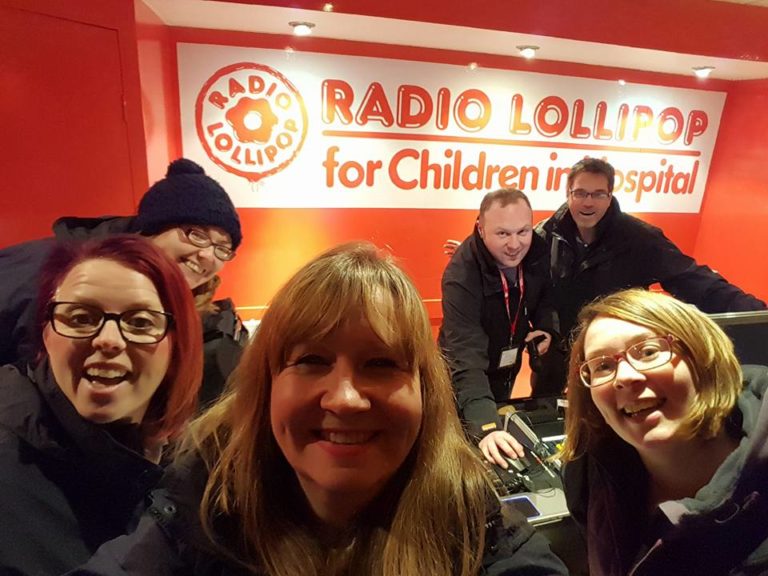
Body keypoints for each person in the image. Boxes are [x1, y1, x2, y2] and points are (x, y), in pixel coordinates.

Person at [73, 241, 568, 576]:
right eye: (311, 361)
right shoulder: (198, 514)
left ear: (426, 392)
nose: (345, 398)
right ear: (266, 386)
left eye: (381, 363)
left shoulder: (473, 525)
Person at [0, 235, 203, 576]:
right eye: (81, 318)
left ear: (177, 342)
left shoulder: (192, 463)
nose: (108, 340)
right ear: (46, 334)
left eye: (140, 322)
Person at [0, 158, 244, 407]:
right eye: (197, 234)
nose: (208, 255)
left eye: (222, 248)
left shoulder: (199, 314)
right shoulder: (42, 272)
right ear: (151, 228)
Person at [560, 288, 768, 575]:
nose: (625, 377)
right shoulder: (588, 478)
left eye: (648, 352)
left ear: (702, 355)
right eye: (603, 366)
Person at [535, 157, 765, 391]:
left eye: (598, 194)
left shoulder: (639, 238)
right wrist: (544, 327)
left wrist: (757, 314)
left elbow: (692, 279)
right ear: (568, 193)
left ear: (610, 195)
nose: (588, 202)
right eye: (581, 193)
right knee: (542, 412)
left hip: (614, 357)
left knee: (606, 412)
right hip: (555, 359)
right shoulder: (545, 234)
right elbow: (534, 292)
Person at [439, 188, 557, 469]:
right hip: (462, 376)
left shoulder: (538, 250)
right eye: (503, 233)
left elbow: (546, 295)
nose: (515, 244)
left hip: (507, 363)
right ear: (481, 229)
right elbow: (464, 354)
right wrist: (486, 427)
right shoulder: (461, 275)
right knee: (462, 442)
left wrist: (546, 326)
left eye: (523, 231)